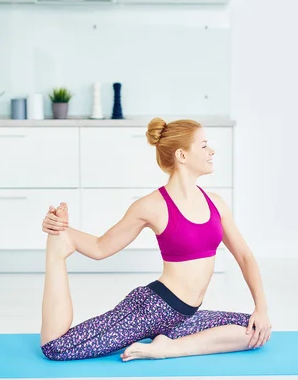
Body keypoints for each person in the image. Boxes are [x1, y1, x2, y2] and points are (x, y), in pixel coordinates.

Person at [39, 117, 271, 362]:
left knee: (256, 330)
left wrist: (261, 308)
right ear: (182, 155)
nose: (211, 151)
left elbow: (244, 256)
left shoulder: (216, 203)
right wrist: (66, 232)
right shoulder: (152, 206)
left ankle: (167, 347)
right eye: (203, 146)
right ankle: (59, 243)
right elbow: (100, 247)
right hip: (151, 309)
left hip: (186, 315)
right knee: (57, 348)